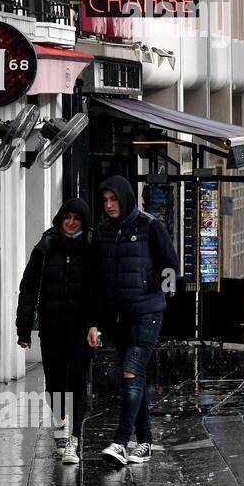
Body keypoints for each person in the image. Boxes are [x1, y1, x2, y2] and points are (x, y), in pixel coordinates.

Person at [87, 176, 179, 467]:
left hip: (148, 314)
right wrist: (96, 321)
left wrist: (147, 285)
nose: (109, 205)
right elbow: (97, 281)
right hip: (119, 317)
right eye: (105, 200)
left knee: (130, 372)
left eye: (114, 199)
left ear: (125, 198)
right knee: (134, 378)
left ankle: (120, 441)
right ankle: (146, 442)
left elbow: (172, 269)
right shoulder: (102, 231)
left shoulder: (150, 225)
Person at [16, 199, 98, 465]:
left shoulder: (92, 247)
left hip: (81, 328)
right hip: (51, 327)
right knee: (53, 382)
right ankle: (60, 423)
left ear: (84, 222)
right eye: (67, 217)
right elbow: (28, 288)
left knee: (77, 378)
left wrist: (98, 324)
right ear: (59, 219)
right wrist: (24, 328)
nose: (71, 222)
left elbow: (102, 290)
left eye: (77, 218)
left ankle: (74, 438)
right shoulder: (45, 247)